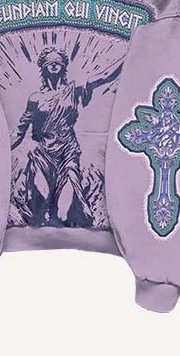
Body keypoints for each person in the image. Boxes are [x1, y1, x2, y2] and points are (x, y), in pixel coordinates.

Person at [11, 47, 122, 226]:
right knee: (38, 207)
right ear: (43, 66)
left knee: (64, 213)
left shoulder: (74, 89)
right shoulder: (36, 98)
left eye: (58, 62)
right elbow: (20, 130)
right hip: (43, 155)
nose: (54, 65)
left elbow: (105, 76)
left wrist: (133, 54)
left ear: (64, 66)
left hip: (67, 153)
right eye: (50, 62)